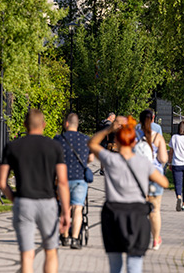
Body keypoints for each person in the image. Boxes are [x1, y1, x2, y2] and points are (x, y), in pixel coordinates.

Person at [90, 116, 171, 273]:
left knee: (115, 266)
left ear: (117, 142)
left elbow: (92, 143)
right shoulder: (143, 163)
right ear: (134, 142)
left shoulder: (110, 160)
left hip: (112, 215)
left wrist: (109, 129)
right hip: (137, 215)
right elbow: (164, 183)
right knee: (134, 265)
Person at [0, 108, 71, 273]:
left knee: (27, 254)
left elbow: (2, 182)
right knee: (51, 250)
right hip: (48, 203)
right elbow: (62, 182)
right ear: (44, 125)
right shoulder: (54, 147)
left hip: (24, 202)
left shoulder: (12, 147)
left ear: (25, 125)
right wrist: (66, 211)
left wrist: (15, 199)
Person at [51, 113, 95, 249]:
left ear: (66, 124)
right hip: (80, 178)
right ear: (77, 124)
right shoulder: (85, 139)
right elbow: (91, 159)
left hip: (63, 178)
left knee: (65, 208)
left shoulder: (58, 139)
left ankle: (64, 236)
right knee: (78, 209)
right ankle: (75, 239)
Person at [133, 109, 168, 249]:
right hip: (154, 177)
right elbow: (163, 158)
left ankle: (137, 238)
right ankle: (155, 240)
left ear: (140, 120)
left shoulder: (134, 136)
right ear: (153, 119)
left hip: (137, 177)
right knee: (155, 210)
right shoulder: (157, 137)